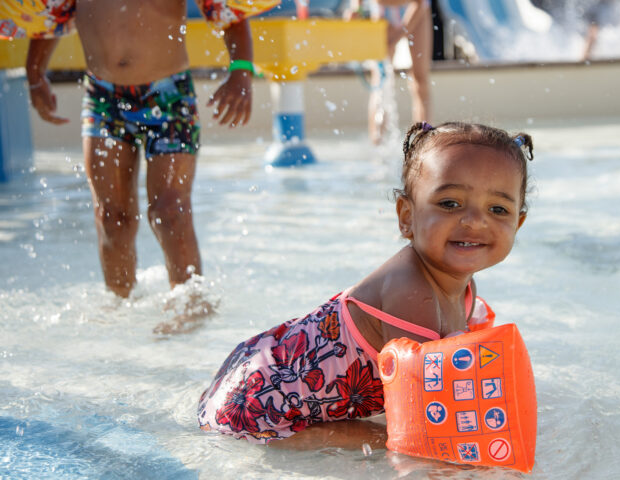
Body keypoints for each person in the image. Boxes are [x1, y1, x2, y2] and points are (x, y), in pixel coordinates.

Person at [197, 121, 533, 446]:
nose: (475, 221)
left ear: (518, 223)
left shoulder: (464, 291)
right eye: (450, 203)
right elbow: (423, 421)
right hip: (256, 410)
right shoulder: (411, 294)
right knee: (388, 441)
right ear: (407, 216)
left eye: (498, 209)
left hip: (258, 371)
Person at [24, 0, 278, 298]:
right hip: (104, 97)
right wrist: (35, 75)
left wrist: (241, 70)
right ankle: (120, 307)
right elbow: (48, 13)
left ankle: (190, 306)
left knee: (169, 212)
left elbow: (227, 9)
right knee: (111, 218)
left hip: (168, 95)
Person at [345, 0, 433, 144]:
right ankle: (377, 142)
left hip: (415, 9)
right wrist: (356, 9)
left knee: (420, 80)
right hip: (383, 12)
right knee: (380, 81)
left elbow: (420, 3)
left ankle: (423, 141)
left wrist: (398, 36)